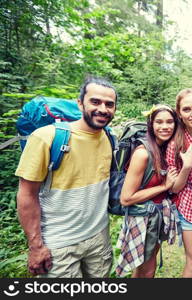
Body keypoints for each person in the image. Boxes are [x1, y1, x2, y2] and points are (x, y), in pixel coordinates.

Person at [15, 76, 118, 277]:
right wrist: (36, 246)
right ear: (80, 103)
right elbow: (27, 194)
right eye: (95, 102)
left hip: (99, 238)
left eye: (109, 104)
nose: (103, 109)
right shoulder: (46, 137)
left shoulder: (108, 137)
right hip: (58, 245)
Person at [115, 104, 179, 278]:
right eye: (159, 122)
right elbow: (126, 198)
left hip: (155, 217)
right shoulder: (142, 154)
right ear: (151, 124)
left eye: (169, 122)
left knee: (143, 269)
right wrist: (164, 186)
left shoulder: (164, 148)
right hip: (143, 219)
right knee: (147, 270)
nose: (165, 126)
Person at [165, 88, 192, 277]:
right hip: (190, 207)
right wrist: (186, 166)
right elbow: (174, 188)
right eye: (187, 109)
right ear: (180, 114)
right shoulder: (176, 143)